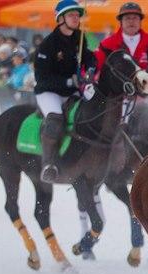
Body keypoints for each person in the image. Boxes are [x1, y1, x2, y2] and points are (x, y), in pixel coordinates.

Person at [34, 0, 97, 183]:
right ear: (60, 19)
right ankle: (48, 165)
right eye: (71, 15)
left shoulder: (80, 37)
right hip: (49, 92)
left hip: (72, 91)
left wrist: (91, 70)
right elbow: (42, 77)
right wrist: (69, 80)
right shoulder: (47, 45)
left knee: (93, 111)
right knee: (55, 120)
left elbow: (89, 58)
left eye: (77, 15)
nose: (76, 18)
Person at [94, 2, 148, 72]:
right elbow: (94, 65)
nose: (131, 21)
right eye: (127, 18)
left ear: (140, 21)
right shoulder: (108, 43)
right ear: (121, 22)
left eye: (135, 18)